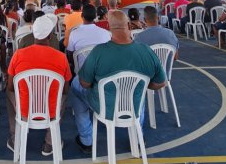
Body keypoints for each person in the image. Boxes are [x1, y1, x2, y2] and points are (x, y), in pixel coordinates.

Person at [70, 11, 167, 154]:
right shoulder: (146, 51)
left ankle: (86, 140)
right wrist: (143, 86)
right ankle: (138, 138)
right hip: (133, 107)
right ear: (129, 25)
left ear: (109, 27)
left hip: (105, 107)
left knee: (75, 87)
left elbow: (85, 83)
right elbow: (161, 82)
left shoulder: (98, 52)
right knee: (139, 93)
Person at [6, 14, 71, 156]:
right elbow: (65, 90)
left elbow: (11, 87)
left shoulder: (18, 55)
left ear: (33, 34)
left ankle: (16, 138)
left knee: (8, 92)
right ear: (50, 36)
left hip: (24, 109)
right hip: (51, 110)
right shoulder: (61, 57)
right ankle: (50, 142)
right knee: (63, 95)